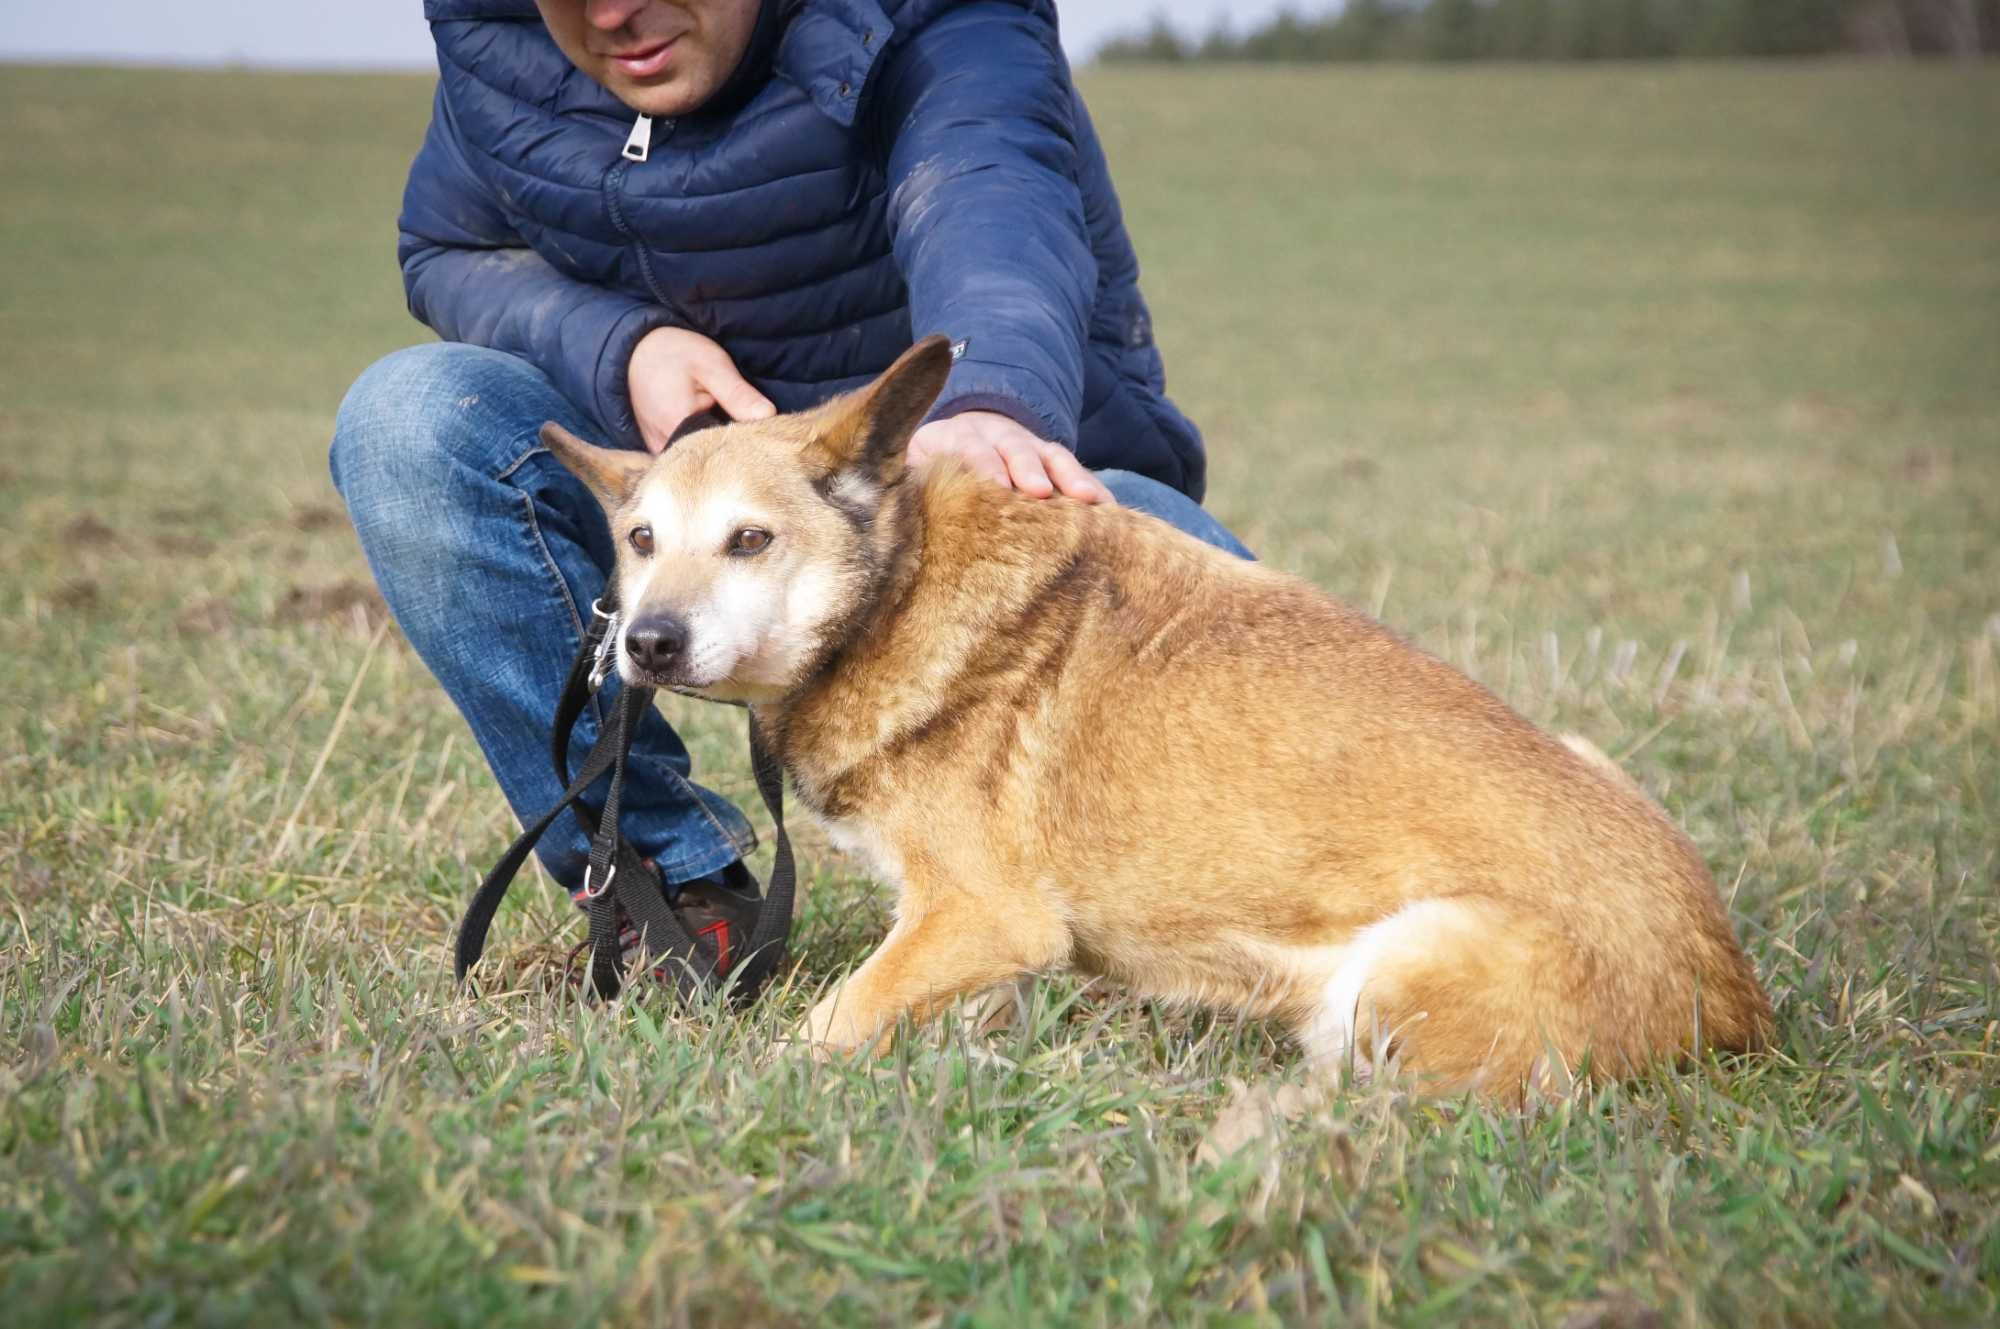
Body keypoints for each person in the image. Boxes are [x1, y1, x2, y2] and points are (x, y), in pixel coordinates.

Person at [330, 0, 1250, 957]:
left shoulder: (926, 14)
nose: (613, 11)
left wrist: (988, 396)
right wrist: (624, 347)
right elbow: (453, 248)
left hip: (952, 480)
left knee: (1198, 599)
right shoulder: (503, 45)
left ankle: (1157, 914)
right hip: (686, 514)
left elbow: (989, 182)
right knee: (411, 419)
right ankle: (673, 897)